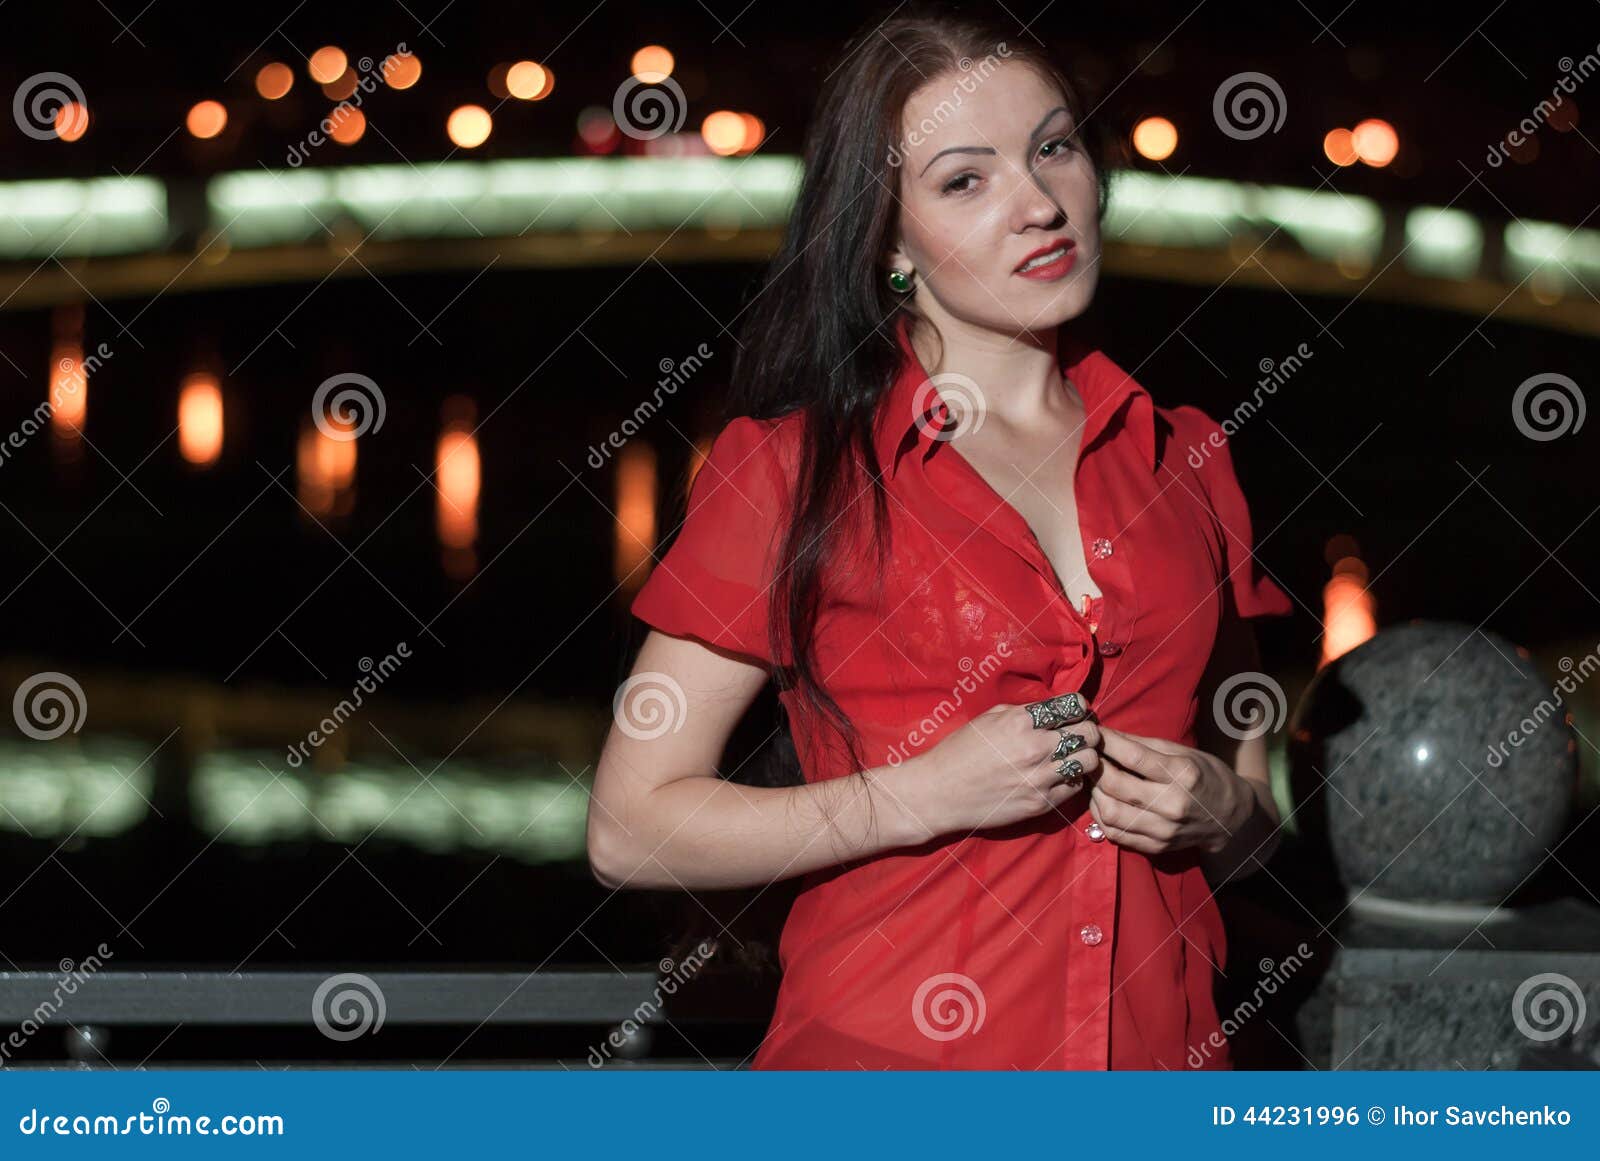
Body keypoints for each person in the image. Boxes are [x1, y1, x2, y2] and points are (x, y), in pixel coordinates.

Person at [587, 4, 1295, 1070]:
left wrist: (1221, 809)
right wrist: (919, 795)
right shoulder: (793, 471)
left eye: (1052, 149)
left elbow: (1256, 827)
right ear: (886, 238)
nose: (1039, 205)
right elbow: (630, 829)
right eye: (966, 180)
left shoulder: (1188, 459)